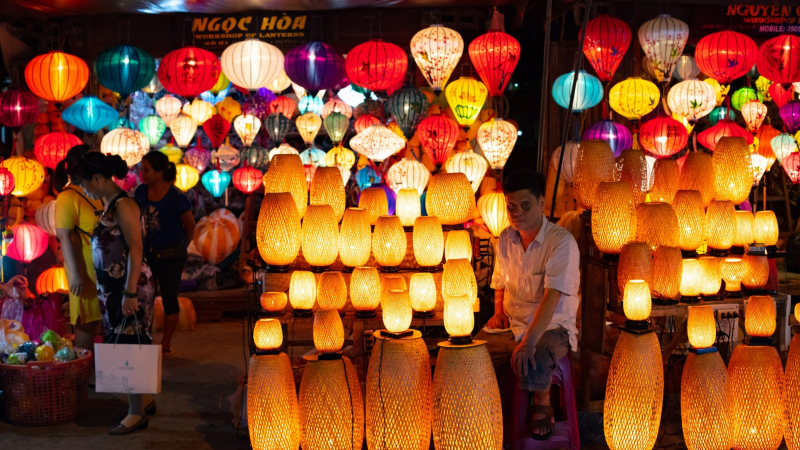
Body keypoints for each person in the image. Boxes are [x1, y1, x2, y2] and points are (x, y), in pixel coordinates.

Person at [475, 167, 580, 441]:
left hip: (551, 326)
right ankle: (489, 409)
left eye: (525, 205)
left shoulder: (560, 242)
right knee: (471, 352)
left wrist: (529, 342)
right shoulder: (506, 239)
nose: (517, 212)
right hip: (511, 324)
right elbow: (499, 282)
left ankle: (542, 403)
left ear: (541, 203)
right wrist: (498, 313)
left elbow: (552, 297)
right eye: (511, 207)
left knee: (537, 354)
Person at [74, 152, 156, 435]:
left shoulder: (124, 204)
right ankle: (142, 400)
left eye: (84, 183)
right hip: (114, 289)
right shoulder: (111, 204)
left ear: (97, 178)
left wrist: (130, 292)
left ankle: (136, 413)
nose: (83, 189)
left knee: (129, 345)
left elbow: (136, 248)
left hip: (128, 287)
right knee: (127, 341)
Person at [135, 152, 195, 354]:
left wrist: (182, 247)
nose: (142, 173)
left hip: (171, 255)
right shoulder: (141, 192)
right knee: (145, 298)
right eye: (141, 169)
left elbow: (190, 225)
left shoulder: (176, 197)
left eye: (146, 170)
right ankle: (146, 339)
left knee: (169, 298)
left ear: (160, 172)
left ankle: (166, 343)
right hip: (146, 254)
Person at [54, 145, 104, 352]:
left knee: (100, 320)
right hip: (83, 267)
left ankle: (97, 370)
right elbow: (64, 236)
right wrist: (74, 274)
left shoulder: (96, 191)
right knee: (87, 322)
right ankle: (81, 374)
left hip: (102, 266)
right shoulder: (68, 197)